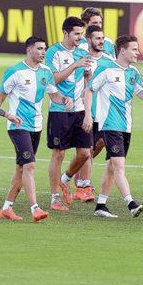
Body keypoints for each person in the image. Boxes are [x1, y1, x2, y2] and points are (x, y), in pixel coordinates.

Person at [0, 37, 72, 222]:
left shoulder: (45, 72)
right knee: (29, 165)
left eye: (45, 49)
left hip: (36, 126)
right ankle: (35, 208)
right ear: (29, 50)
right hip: (18, 125)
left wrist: (65, 99)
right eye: (40, 49)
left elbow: (54, 95)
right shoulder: (15, 72)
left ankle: (7, 207)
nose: (44, 52)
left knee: (21, 169)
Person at [83, 35, 143, 218]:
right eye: (134, 49)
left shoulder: (134, 72)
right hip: (109, 124)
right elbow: (90, 89)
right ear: (122, 50)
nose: (138, 53)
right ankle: (131, 204)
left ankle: (100, 205)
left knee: (112, 167)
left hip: (126, 126)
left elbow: (139, 93)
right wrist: (88, 115)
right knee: (119, 165)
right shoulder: (106, 69)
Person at [45, 17, 93, 211]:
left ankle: (65, 180)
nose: (80, 38)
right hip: (60, 110)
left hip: (81, 110)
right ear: (65, 33)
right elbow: (52, 80)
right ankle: (54, 197)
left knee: (85, 153)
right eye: (76, 34)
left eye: (81, 34)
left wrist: (89, 111)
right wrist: (74, 65)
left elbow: (88, 79)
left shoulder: (83, 52)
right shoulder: (53, 52)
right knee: (59, 153)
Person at [74, 25, 114, 202]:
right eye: (97, 38)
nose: (101, 41)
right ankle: (83, 186)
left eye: (103, 38)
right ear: (89, 40)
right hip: (87, 110)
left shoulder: (108, 61)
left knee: (99, 144)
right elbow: (79, 85)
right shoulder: (83, 59)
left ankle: (74, 176)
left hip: (104, 112)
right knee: (87, 149)